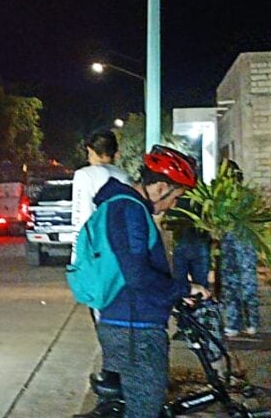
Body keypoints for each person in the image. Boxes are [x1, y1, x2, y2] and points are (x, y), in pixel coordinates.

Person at [79, 145, 209, 418]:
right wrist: (184, 288)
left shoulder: (122, 206)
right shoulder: (130, 210)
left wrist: (174, 292)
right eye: (176, 197)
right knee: (144, 410)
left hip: (127, 321)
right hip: (134, 329)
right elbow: (137, 275)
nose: (173, 205)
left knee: (135, 408)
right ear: (161, 187)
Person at [71, 130, 131, 409]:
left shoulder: (84, 176)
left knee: (101, 320)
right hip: (121, 258)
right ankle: (115, 378)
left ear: (90, 150)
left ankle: (111, 384)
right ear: (115, 152)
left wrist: (76, 263)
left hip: (96, 258)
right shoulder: (123, 177)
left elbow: (81, 221)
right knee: (115, 319)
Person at [219, 161, 260, 338]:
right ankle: (235, 323)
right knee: (231, 284)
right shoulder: (220, 197)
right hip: (229, 243)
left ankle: (250, 322)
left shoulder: (246, 196)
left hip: (244, 243)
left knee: (246, 283)